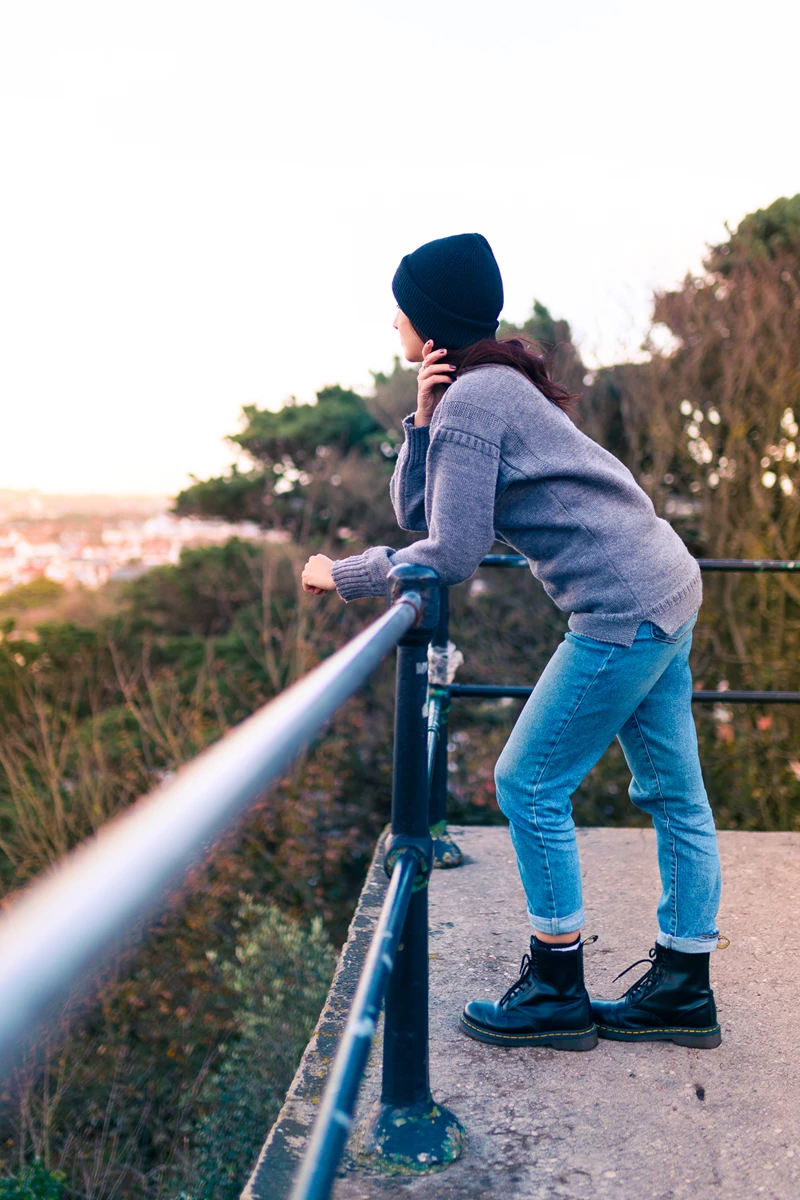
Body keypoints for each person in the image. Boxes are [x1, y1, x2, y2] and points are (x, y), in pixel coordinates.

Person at [301, 232, 725, 1052]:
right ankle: (683, 986)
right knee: (674, 793)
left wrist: (341, 575)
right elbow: (417, 513)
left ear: (429, 325)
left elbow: (448, 555)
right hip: (666, 581)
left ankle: (557, 986)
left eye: (402, 311)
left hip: (621, 607)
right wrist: (419, 419)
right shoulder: (479, 392)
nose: (394, 323)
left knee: (526, 781)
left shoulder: (479, 400)